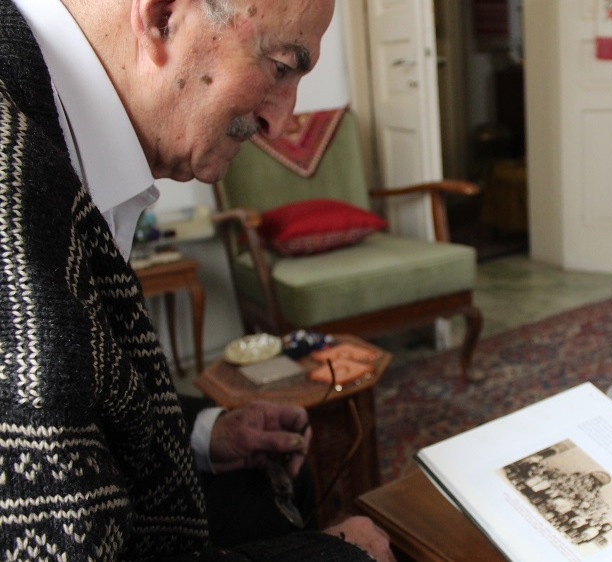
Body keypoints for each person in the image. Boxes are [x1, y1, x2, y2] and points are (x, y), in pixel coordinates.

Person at [0, 0, 395, 559]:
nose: (280, 123)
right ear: (162, 17)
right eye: (281, 66)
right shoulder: (12, 192)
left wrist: (207, 433)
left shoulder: (47, 123)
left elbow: (79, 400)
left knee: (276, 482)